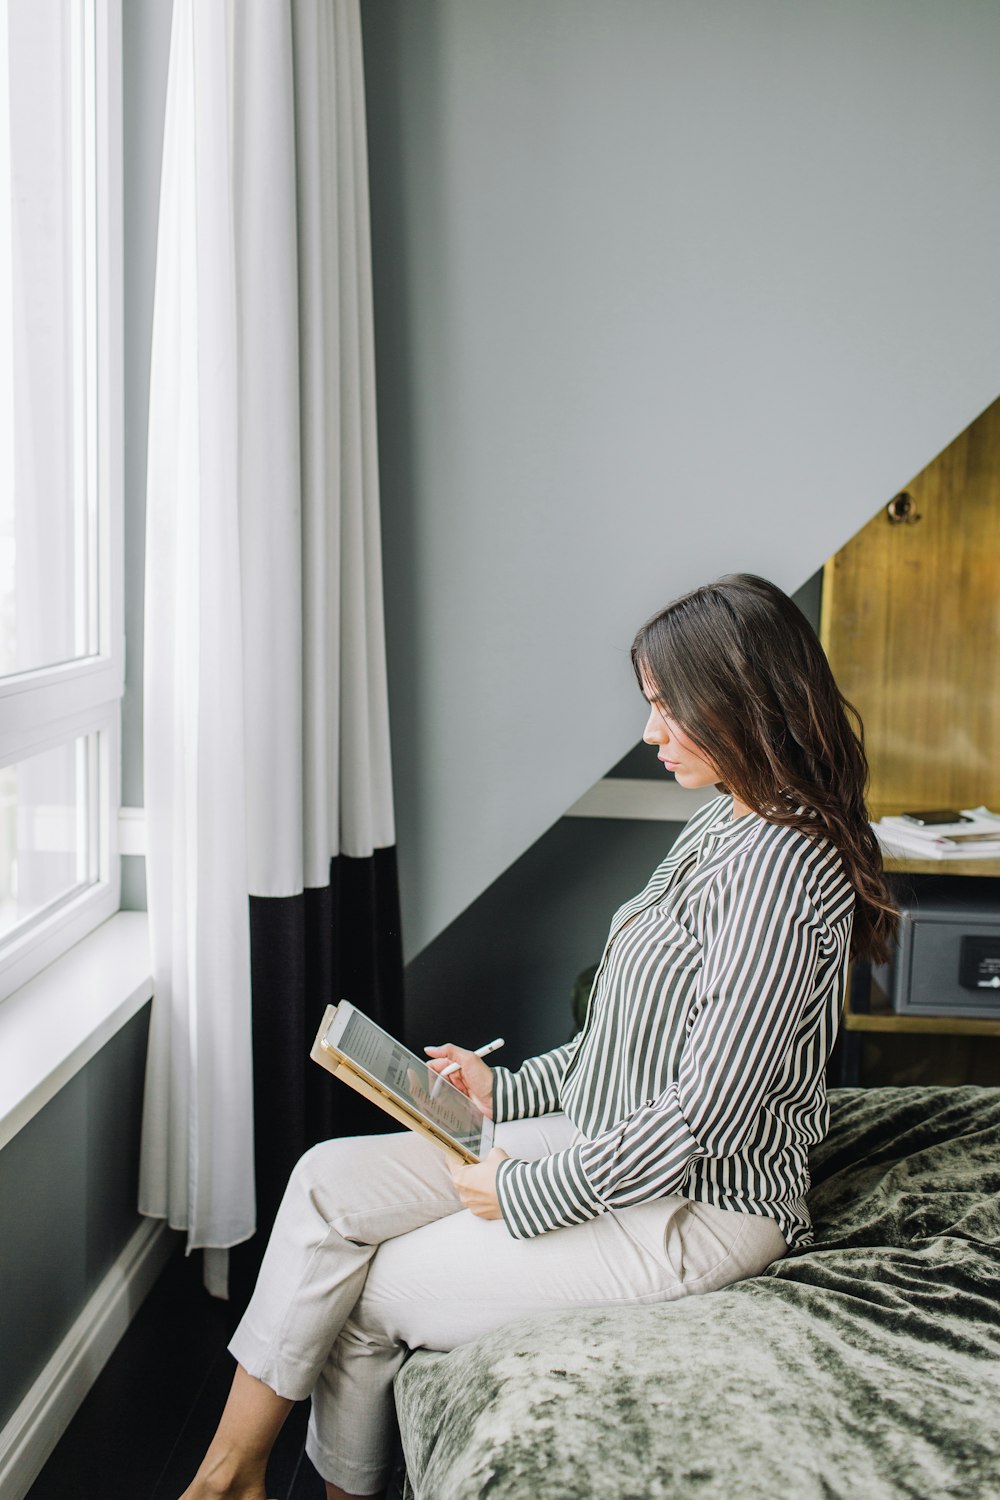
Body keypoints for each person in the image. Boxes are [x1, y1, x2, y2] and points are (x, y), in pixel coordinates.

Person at [179, 573, 895, 1500]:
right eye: (653, 705)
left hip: (698, 1209)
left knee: (373, 1296)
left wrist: (530, 1190)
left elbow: (709, 1111)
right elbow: (628, 1037)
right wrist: (500, 1093)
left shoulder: (782, 871)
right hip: (614, 1142)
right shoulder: (728, 818)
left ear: (744, 702)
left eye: (670, 708)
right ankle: (228, 1476)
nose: (651, 733)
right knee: (324, 1180)